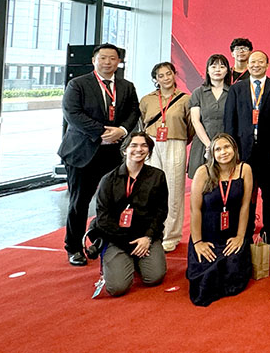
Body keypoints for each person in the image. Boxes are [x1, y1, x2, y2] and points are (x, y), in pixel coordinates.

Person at [59, 43, 140, 266]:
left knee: (115, 201)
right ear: (94, 60)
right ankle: (74, 247)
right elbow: (72, 114)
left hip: (113, 153)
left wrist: (122, 131)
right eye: (103, 58)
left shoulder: (126, 86)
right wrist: (102, 132)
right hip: (82, 153)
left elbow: (134, 111)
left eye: (112, 58)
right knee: (79, 202)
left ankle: (105, 241)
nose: (107, 62)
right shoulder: (78, 84)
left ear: (118, 62)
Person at [91, 132, 168, 296]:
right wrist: (128, 242)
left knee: (154, 277)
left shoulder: (157, 176)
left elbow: (161, 212)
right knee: (117, 288)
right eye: (134, 145)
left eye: (144, 146)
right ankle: (121, 261)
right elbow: (103, 219)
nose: (139, 149)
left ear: (149, 151)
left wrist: (148, 238)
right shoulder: (108, 180)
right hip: (117, 237)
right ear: (124, 150)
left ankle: (136, 262)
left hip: (145, 236)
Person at [223, 50, 270, 249]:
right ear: (247, 64)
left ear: (267, 64)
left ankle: (269, 232)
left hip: (269, 150)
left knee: (269, 193)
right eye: (252, 62)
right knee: (245, 193)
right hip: (243, 150)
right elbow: (230, 120)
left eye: (260, 61)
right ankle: (246, 231)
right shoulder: (237, 88)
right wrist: (232, 150)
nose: (256, 65)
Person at [187, 133, 253, 306]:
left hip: (233, 234)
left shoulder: (244, 169)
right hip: (207, 235)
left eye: (227, 147)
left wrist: (240, 237)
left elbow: (245, 206)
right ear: (212, 153)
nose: (223, 152)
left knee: (233, 270)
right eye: (218, 149)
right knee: (205, 276)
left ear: (234, 149)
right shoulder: (203, 172)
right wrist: (198, 242)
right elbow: (195, 210)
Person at [138, 62, 192, 252]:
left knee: (174, 189)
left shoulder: (186, 99)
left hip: (176, 142)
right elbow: (141, 123)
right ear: (155, 79)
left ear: (174, 74)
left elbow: (191, 126)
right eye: (161, 75)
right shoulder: (147, 99)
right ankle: (151, 232)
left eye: (169, 74)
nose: (166, 78)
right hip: (152, 144)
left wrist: (180, 139)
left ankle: (171, 235)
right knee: (151, 188)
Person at [188, 54, 231, 179]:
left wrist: (221, 145)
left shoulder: (233, 92)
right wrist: (209, 145)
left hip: (226, 145)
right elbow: (195, 121)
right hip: (203, 144)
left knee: (225, 179)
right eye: (213, 66)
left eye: (222, 67)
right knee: (202, 181)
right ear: (207, 70)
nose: (218, 70)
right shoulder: (198, 92)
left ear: (227, 71)